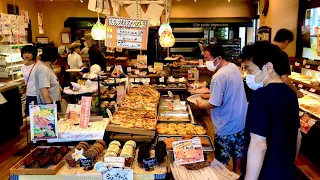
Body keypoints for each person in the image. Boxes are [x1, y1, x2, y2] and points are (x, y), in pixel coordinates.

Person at [241, 41, 300, 180]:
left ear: (268, 67)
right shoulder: (290, 94)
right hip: (286, 172)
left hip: (266, 173)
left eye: (250, 70)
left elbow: (259, 145)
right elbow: (298, 136)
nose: (248, 75)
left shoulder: (260, 96)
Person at [196, 44, 248, 172]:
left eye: (208, 58)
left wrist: (201, 104)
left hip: (226, 122)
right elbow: (227, 92)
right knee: (238, 152)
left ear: (218, 58)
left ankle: (222, 176)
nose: (206, 62)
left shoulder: (218, 76)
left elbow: (214, 102)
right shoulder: (233, 68)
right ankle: (236, 174)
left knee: (222, 161)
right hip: (240, 120)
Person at [273, 28, 304, 98]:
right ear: (286, 42)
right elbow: (284, 78)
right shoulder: (282, 55)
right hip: (275, 92)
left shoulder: (263, 49)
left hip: (260, 90)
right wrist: (297, 92)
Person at [34, 46, 61, 111]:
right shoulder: (43, 69)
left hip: (53, 101)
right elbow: (43, 88)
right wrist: (49, 107)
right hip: (48, 103)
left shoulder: (47, 67)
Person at [21, 45, 38, 116]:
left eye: (28, 53)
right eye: (24, 53)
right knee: (31, 115)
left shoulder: (38, 65)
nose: (26, 55)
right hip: (29, 94)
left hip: (38, 94)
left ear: (33, 54)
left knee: (39, 115)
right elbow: (25, 80)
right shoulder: (23, 67)